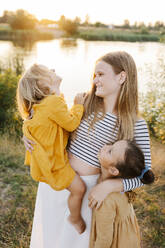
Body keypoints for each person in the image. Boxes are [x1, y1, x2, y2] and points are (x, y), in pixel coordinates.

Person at [23, 51, 152, 248]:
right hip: (56, 181)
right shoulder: (84, 104)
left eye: (101, 74)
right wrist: (29, 135)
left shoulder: (134, 123)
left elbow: (144, 175)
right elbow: (48, 122)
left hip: (87, 193)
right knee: (50, 240)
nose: (95, 79)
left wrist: (109, 186)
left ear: (122, 77)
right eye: (94, 74)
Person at [17, 63, 87, 234]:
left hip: (48, 161)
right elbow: (70, 124)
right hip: (56, 164)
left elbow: (33, 124)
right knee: (79, 189)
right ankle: (75, 218)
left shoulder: (38, 106)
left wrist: (57, 90)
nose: (54, 70)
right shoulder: (53, 102)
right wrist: (78, 105)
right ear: (43, 84)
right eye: (48, 71)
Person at [89, 140, 155, 248]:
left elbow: (104, 241)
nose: (105, 146)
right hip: (129, 238)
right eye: (111, 145)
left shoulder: (104, 199)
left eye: (110, 151)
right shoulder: (122, 186)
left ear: (114, 170)